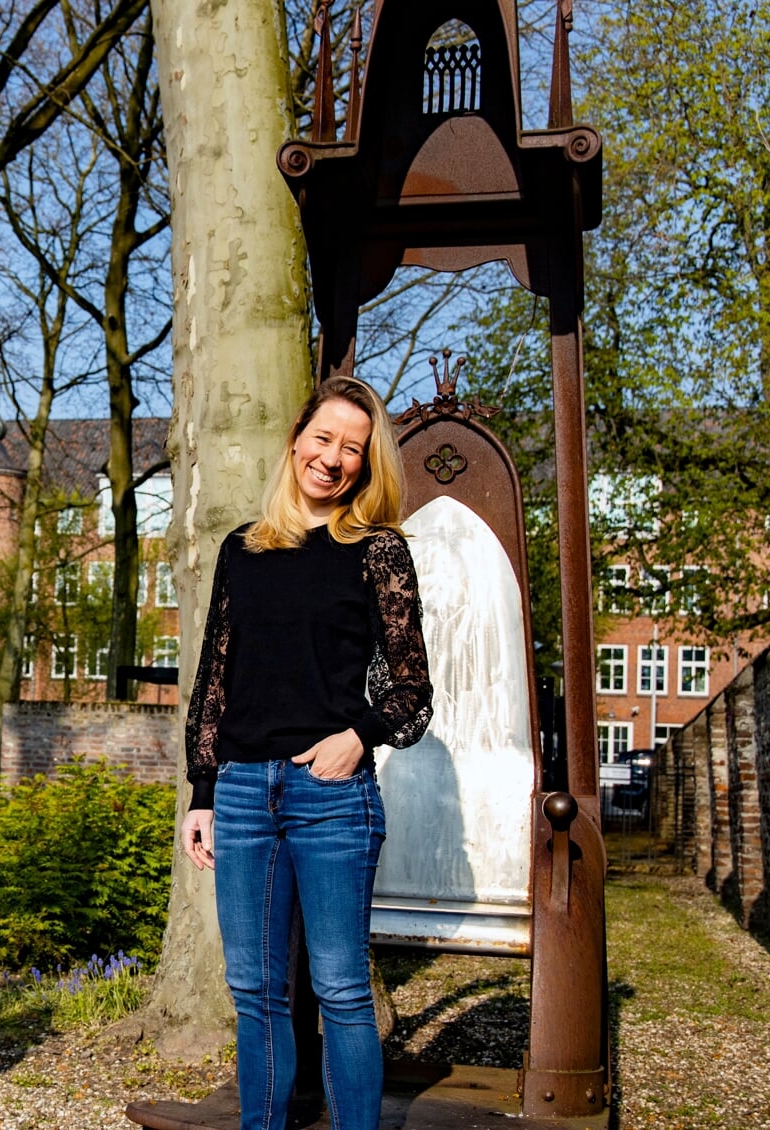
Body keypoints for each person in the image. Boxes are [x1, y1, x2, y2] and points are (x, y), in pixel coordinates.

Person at [179, 376, 433, 1130]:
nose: (333, 458)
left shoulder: (377, 551)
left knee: (342, 988)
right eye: (323, 439)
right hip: (243, 793)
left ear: (365, 464)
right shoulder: (242, 549)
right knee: (256, 991)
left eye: (352, 449)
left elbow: (413, 689)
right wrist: (201, 793)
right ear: (296, 441)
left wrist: (357, 738)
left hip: (331, 799)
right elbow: (213, 681)